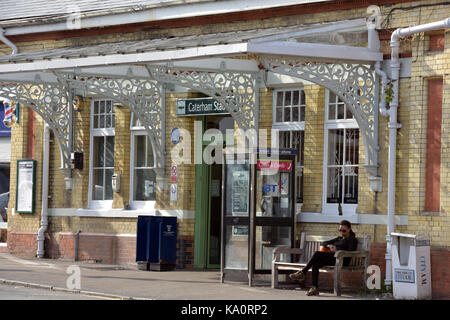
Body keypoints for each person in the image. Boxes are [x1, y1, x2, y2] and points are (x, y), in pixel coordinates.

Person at [289, 220, 358, 296]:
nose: (341, 232)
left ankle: (303, 272)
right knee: (316, 264)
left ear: (349, 229)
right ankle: (314, 288)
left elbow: (351, 252)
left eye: (344, 230)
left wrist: (337, 250)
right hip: (333, 259)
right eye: (340, 230)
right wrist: (329, 246)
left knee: (317, 253)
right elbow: (324, 243)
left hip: (342, 260)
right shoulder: (338, 238)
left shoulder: (352, 239)